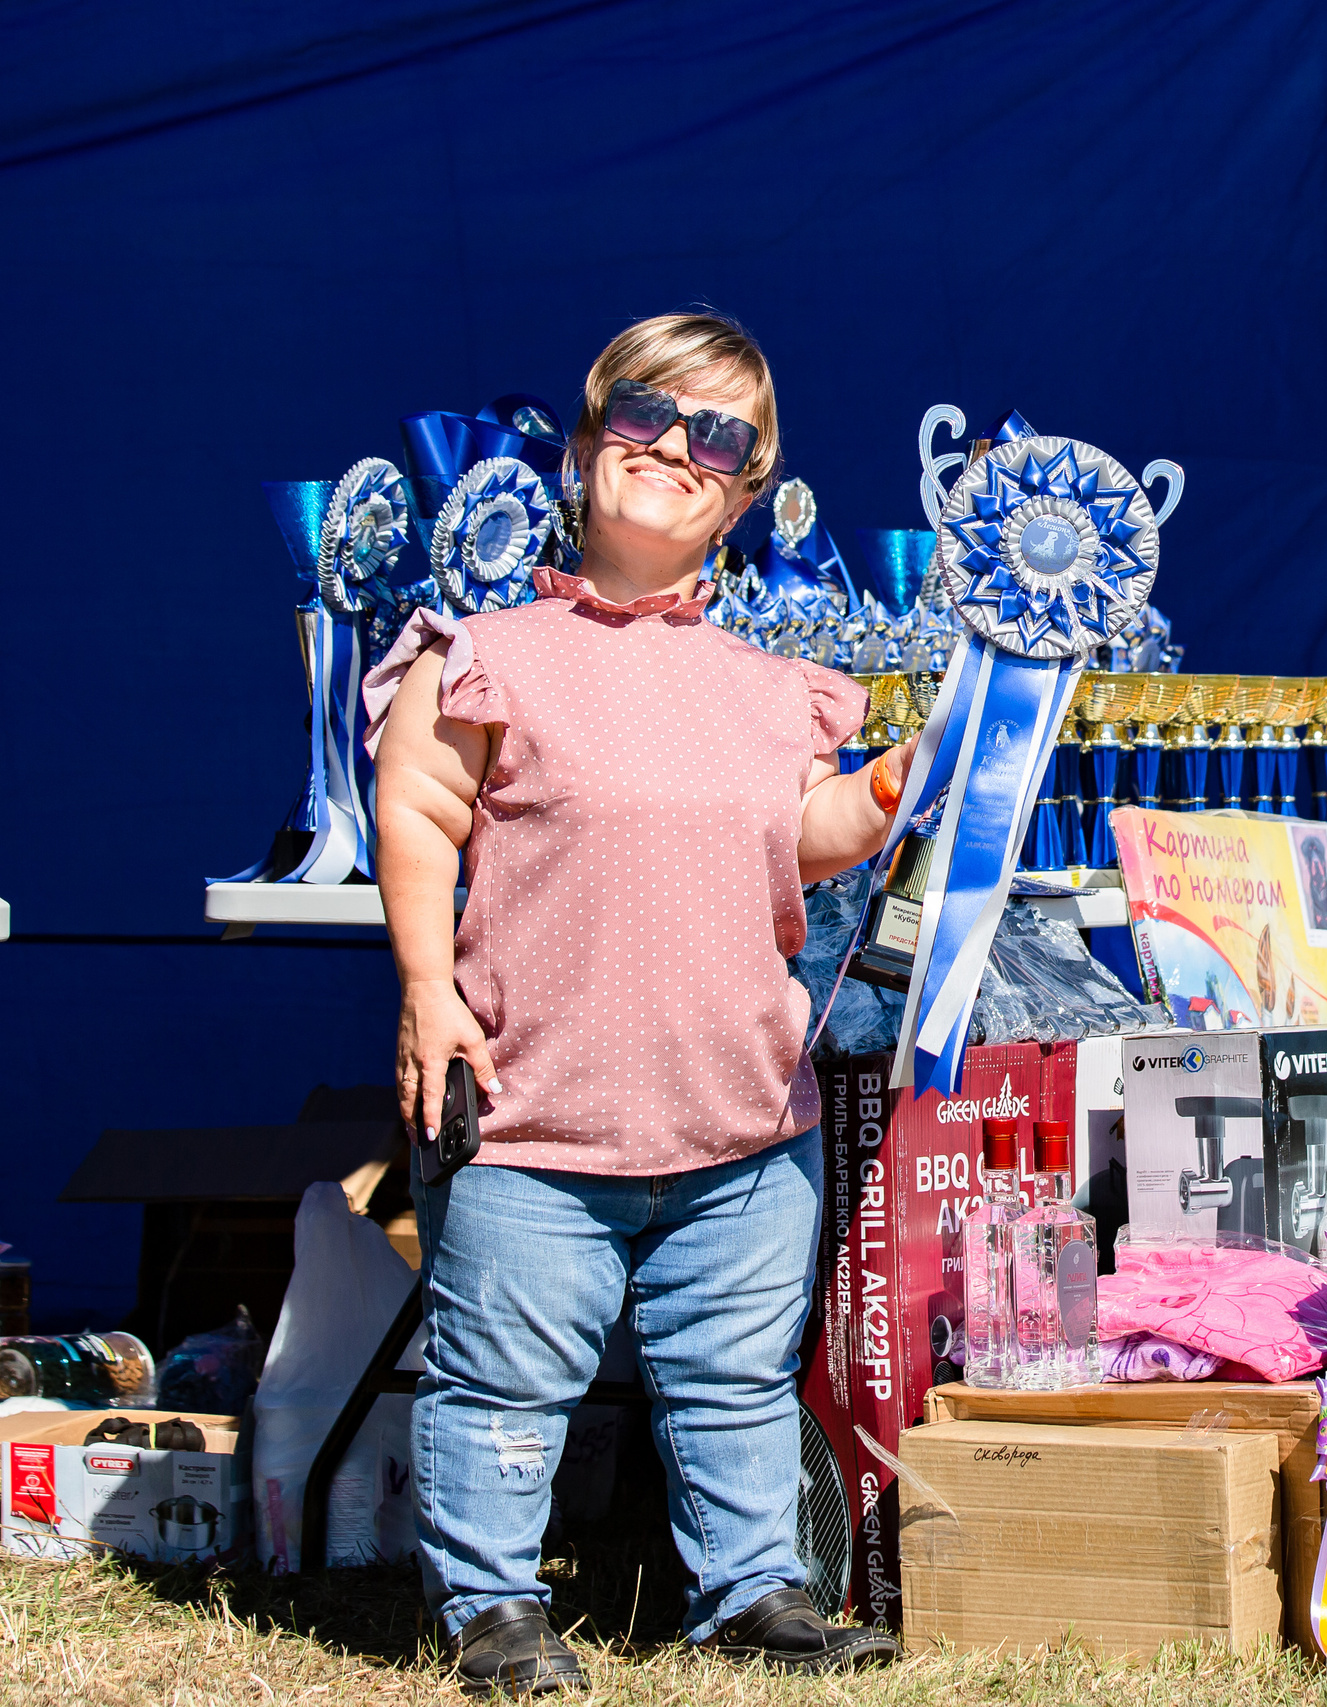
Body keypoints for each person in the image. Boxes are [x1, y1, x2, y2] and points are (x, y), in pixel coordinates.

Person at [368, 312, 914, 1695]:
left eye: (717, 434)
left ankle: (751, 1591)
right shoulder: (488, 646)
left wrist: (907, 781)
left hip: (739, 1127)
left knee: (734, 1384)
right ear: (586, 438)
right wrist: (428, 990)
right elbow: (420, 810)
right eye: (648, 414)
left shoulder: (770, 684)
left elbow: (801, 832)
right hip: (539, 1124)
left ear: (745, 487)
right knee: (502, 1385)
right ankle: (492, 1606)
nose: (677, 446)